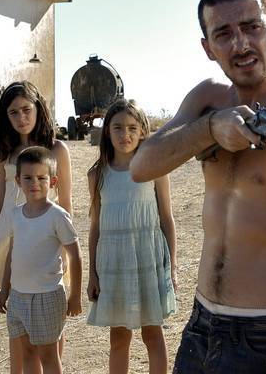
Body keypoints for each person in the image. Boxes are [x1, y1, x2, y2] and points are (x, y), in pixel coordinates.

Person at [130, 0, 266, 373]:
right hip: (202, 322)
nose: (240, 44)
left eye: (252, 27)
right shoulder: (207, 98)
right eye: (223, 33)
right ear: (208, 47)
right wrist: (210, 129)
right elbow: (142, 165)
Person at [87, 99, 177, 374]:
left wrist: (172, 267)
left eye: (132, 128)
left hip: (147, 260)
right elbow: (95, 227)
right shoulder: (97, 174)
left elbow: (167, 219)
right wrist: (92, 274)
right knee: (119, 338)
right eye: (117, 127)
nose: (124, 134)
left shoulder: (155, 169)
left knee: (153, 335)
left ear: (142, 132)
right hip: (113, 264)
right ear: (107, 131)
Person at [0, 81, 73, 373]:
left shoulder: (57, 149)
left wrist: (64, 251)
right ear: (6, 117)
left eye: (26, 109)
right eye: (13, 112)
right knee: (18, 319)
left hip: (47, 239)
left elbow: (66, 202)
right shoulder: (5, 152)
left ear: (38, 108)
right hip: (12, 240)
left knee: (48, 325)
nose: (21, 117)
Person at [0, 146, 82, 374]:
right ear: (18, 181)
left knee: (48, 355)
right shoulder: (16, 214)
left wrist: (75, 296)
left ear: (53, 181)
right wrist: (4, 289)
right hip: (18, 297)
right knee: (28, 353)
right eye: (28, 178)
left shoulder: (58, 216)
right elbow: (12, 255)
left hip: (48, 296)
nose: (35, 183)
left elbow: (75, 256)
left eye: (41, 178)